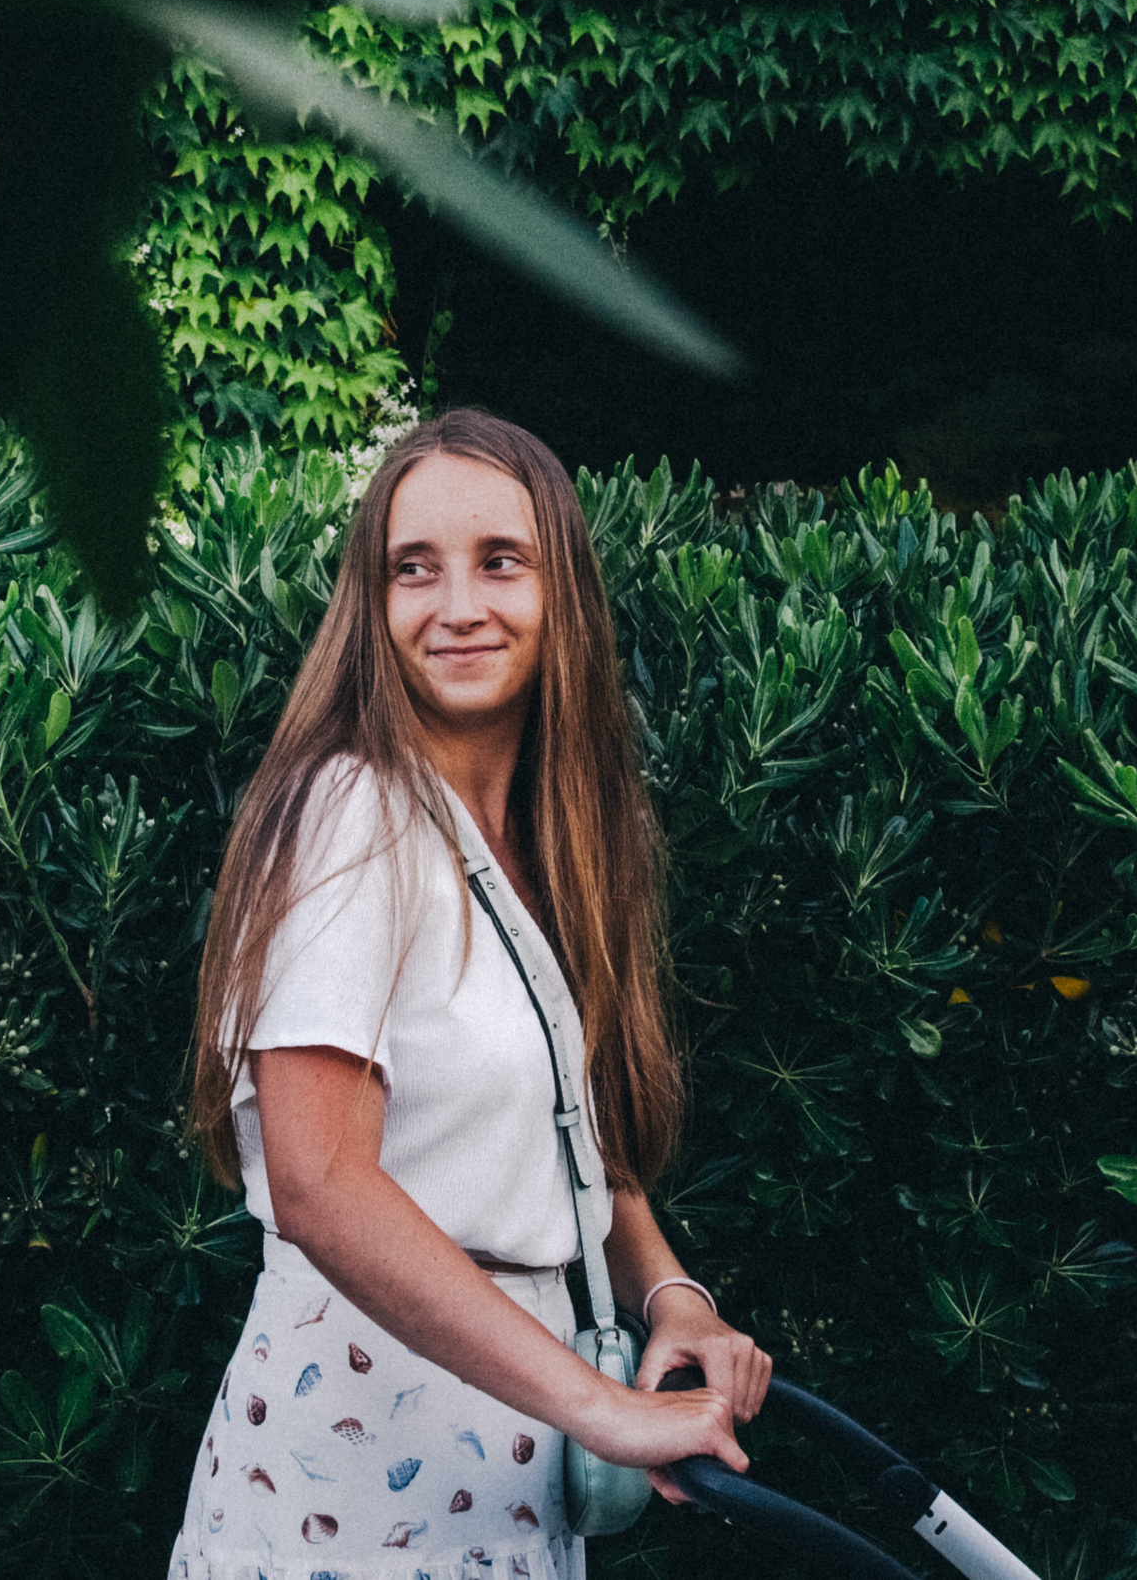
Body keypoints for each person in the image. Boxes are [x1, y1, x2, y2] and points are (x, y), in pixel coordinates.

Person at [169, 410, 770, 1580]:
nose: (456, 606)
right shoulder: (351, 812)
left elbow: (561, 1128)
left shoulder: (541, 845)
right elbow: (321, 1181)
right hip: (353, 1462)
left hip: (506, 1456)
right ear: (371, 604)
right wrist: (602, 1411)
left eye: (500, 561)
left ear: (563, 596)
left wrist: (670, 1294)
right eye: (412, 569)